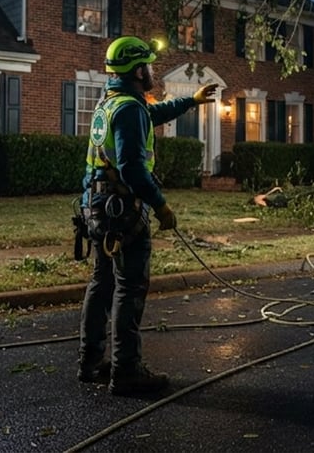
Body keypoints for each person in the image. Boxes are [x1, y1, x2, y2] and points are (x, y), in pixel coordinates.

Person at [77, 35, 218, 395]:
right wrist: (160, 205)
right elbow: (132, 168)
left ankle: (90, 362)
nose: (152, 71)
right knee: (129, 287)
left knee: (102, 283)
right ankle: (126, 371)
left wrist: (191, 100)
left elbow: (151, 114)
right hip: (122, 212)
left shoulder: (111, 104)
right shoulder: (128, 109)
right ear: (138, 70)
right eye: (148, 65)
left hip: (97, 208)